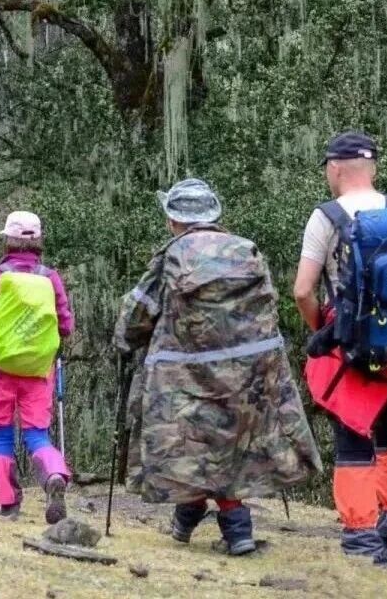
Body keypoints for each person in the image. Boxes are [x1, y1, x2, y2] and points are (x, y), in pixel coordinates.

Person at [116, 179, 320, 557]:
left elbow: (139, 313)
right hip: (250, 375)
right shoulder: (247, 252)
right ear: (214, 216)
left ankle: (208, 520)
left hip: (184, 376)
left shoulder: (171, 256)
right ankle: (229, 529)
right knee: (230, 446)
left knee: (195, 449)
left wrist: (124, 341)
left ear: (172, 220)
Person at [293, 132, 387, 563]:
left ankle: (360, 537)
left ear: (335, 168)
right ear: (372, 168)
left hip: (355, 349)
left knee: (354, 440)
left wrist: (323, 328)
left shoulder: (327, 217)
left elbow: (303, 290)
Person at [0, 211, 74, 523]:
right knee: (37, 433)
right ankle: (54, 474)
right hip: (38, 369)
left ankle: (8, 504)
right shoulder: (50, 278)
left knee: (1, 434)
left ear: (7, 240)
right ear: (38, 241)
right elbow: (66, 326)